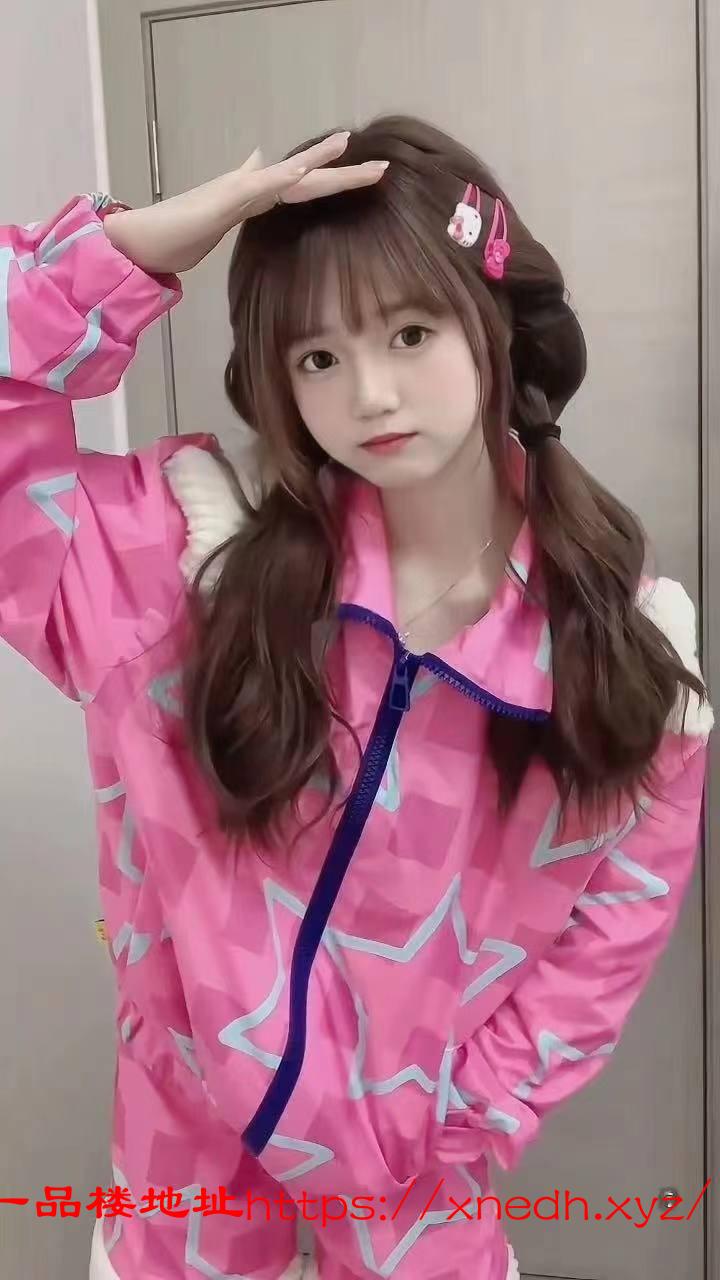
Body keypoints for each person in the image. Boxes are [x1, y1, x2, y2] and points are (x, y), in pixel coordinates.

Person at [0, 117, 713, 1280]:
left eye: (410, 332)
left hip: (416, 1220)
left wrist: (447, 1127)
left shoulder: (618, 663)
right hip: (183, 1214)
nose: (370, 392)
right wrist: (132, 248)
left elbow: (604, 953)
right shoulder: (177, 571)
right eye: (317, 357)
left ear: (493, 324)